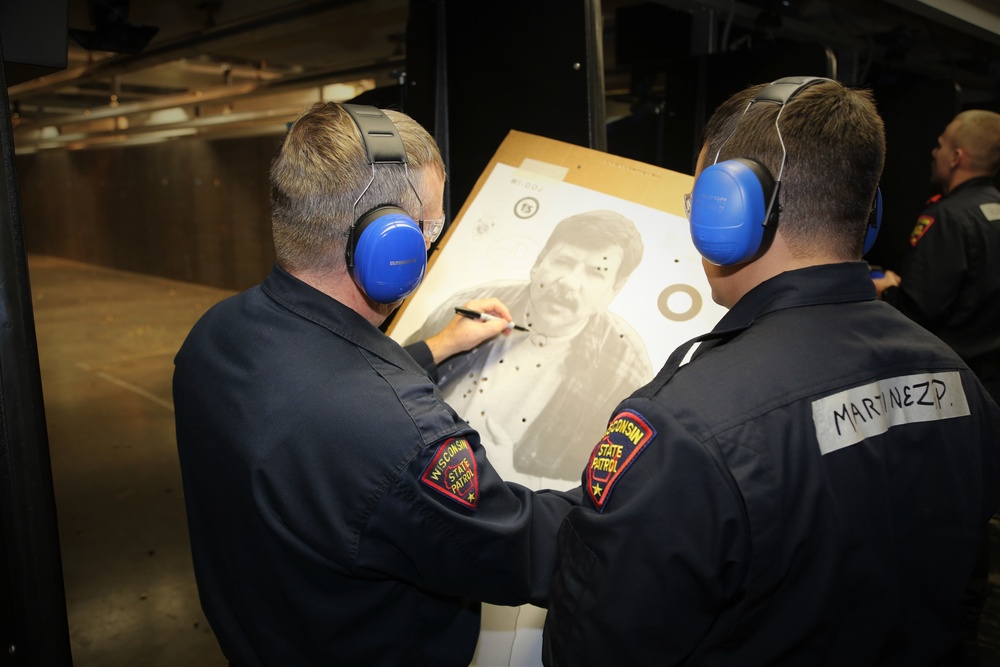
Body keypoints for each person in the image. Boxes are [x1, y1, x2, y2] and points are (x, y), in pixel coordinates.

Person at [542, 76, 1000, 665]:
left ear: (728, 211)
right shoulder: (959, 382)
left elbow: (597, 645)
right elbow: (964, 590)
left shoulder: (687, 425)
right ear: (868, 211)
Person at [172, 101, 581, 667]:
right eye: (430, 228)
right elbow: (528, 555)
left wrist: (438, 347)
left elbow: (320, 395)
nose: (432, 244)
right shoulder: (402, 436)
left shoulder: (213, 338)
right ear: (389, 247)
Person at [873, 108, 1000, 664]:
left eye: (941, 142)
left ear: (958, 157)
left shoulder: (947, 220)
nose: (933, 151)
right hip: (993, 393)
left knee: (930, 526)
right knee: (972, 522)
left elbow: (919, 311)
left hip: (947, 392)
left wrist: (886, 290)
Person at [403, 210, 653, 487]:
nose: (569, 283)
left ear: (614, 290)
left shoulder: (627, 366)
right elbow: (392, 382)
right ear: (538, 263)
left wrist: (516, 480)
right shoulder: (471, 304)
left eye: (596, 273)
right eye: (564, 262)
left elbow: (610, 488)